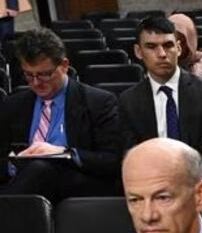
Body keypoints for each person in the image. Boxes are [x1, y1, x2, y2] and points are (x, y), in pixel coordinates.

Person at [0, 27, 123, 200]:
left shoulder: (98, 102)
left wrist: (64, 153)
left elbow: (112, 160)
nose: (36, 83)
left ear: (64, 66)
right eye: (29, 75)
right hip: (25, 184)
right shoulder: (13, 105)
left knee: (40, 170)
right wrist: (14, 164)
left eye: (44, 74)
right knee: (35, 171)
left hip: (78, 185)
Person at [118, 15, 202, 186]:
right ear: (138, 52)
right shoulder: (128, 101)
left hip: (200, 185)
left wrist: (183, 187)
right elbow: (132, 155)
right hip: (152, 188)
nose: (162, 54)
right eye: (151, 47)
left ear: (178, 48)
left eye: (168, 45)